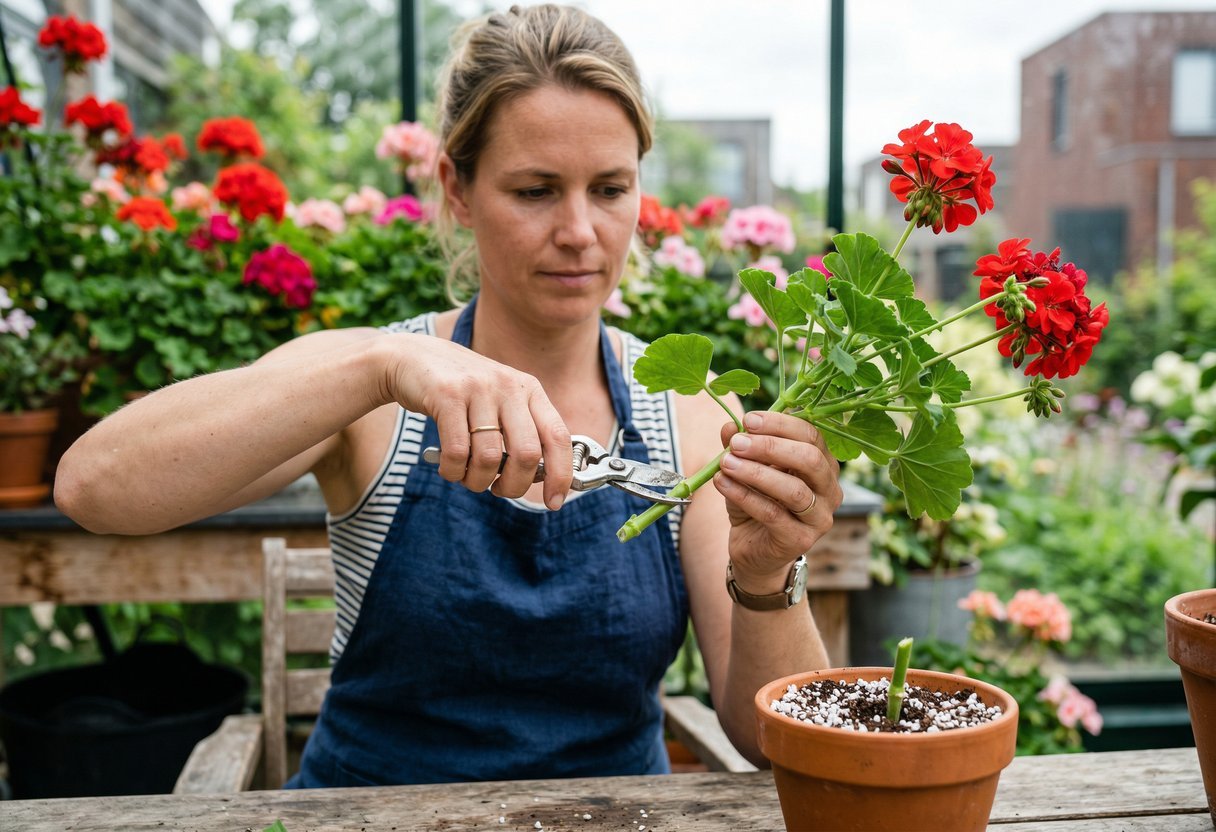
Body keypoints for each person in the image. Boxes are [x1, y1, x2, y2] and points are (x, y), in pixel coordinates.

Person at [54, 3, 842, 787]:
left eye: (609, 188)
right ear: (456, 191)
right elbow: (95, 487)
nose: (579, 230)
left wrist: (771, 572)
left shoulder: (690, 415)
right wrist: (382, 366)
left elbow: (764, 739)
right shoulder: (375, 384)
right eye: (535, 190)